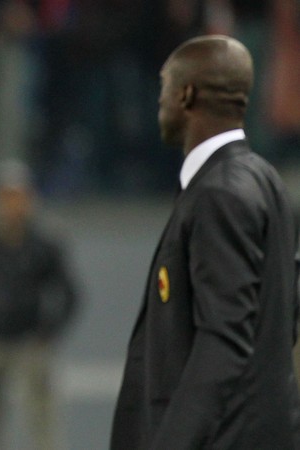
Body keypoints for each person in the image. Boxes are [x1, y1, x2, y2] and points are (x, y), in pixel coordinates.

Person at [110, 35, 300, 449]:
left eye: (163, 88)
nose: (159, 102)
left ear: (186, 94)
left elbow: (225, 337)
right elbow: (284, 319)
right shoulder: (265, 181)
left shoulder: (220, 194)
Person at [0, 159, 79, 450]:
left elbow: (69, 293)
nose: (12, 205)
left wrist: (48, 333)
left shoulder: (44, 243)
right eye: (5, 198)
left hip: (30, 341)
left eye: (18, 197)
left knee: (41, 418)